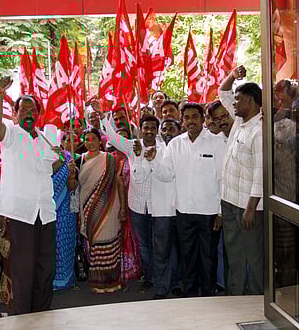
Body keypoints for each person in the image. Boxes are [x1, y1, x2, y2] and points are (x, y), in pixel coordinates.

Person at [0, 76, 58, 314]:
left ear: (38, 114)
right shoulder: (12, 134)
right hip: (21, 213)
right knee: (23, 270)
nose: (29, 113)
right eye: (24, 109)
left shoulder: (45, 139)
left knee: (45, 268)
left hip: (46, 212)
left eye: (33, 109)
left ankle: (41, 314)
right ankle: (24, 318)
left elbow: (52, 166)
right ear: (17, 114)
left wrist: (62, 160)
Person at [144, 103, 226, 297]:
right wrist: (154, 160)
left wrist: (221, 212)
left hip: (209, 212)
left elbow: (222, 179)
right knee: (187, 257)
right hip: (183, 212)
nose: (191, 121)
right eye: (187, 118)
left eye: (194, 117)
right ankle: (190, 297)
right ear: (182, 121)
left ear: (202, 119)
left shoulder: (216, 143)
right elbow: (166, 175)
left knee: (208, 258)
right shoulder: (175, 144)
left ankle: (207, 296)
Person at [94, 101, 165, 293]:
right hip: (137, 206)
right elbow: (113, 137)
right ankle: (149, 277)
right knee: (143, 246)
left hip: (159, 206)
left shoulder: (165, 148)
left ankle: (162, 279)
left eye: (152, 128)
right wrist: (103, 117)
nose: (149, 131)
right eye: (145, 128)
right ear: (140, 130)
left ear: (157, 130)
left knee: (159, 245)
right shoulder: (133, 145)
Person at [219, 65, 264, 295]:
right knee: (235, 254)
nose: (233, 103)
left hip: (248, 207)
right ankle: (235, 298)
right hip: (229, 201)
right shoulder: (239, 121)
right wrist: (232, 75)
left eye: (238, 99)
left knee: (254, 257)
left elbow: (260, 173)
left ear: (251, 101)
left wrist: (251, 208)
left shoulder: (260, 130)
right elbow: (222, 92)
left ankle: (258, 302)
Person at [68, 128, 126, 293]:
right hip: (88, 208)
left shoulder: (109, 159)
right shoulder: (79, 160)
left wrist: (122, 207)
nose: (90, 142)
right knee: (95, 246)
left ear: (100, 140)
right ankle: (98, 282)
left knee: (110, 242)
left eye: (93, 138)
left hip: (110, 206)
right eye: (87, 139)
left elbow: (119, 182)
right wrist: (71, 175)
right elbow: (72, 187)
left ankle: (113, 281)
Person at [132, 117, 182, 299]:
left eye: (172, 129)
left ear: (179, 130)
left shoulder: (181, 148)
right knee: (160, 250)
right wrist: (139, 157)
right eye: (165, 129)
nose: (168, 133)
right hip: (160, 209)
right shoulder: (154, 150)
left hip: (179, 207)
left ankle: (175, 283)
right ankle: (161, 288)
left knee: (175, 250)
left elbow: (172, 176)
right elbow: (139, 177)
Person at [112, 128, 141, 282]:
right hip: (114, 204)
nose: (121, 142)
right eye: (118, 139)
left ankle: (134, 268)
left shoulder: (133, 156)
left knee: (134, 235)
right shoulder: (110, 158)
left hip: (134, 201)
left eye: (124, 139)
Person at [52, 132, 79, 290]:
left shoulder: (72, 159)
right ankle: (52, 280)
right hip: (49, 209)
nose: (68, 141)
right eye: (65, 139)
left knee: (66, 244)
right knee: (52, 246)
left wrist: (70, 175)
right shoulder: (48, 157)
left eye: (72, 139)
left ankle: (66, 279)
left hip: (66, 210)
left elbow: (72, 187)